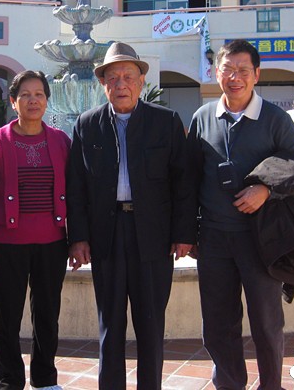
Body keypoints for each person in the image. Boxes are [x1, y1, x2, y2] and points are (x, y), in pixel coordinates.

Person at [66, 42, 197, 390]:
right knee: (110, 323)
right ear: (103, 84)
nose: (120, 84)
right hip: (106, 236)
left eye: (128, 76)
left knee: (151, 324)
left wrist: (184, 234)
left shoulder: (166, 122)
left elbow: (183, 182)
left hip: (152, 236)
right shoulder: (87, 125)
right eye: (113, 78)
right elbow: (75, 187)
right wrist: (78, 237)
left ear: (141, 82)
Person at [185, 39, 294, 390]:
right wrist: (187, 233)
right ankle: (229, 384)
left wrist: (266, 189)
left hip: (262, 239)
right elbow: (189, 178)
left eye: (243, 70)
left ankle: (271, 385)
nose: (235, 77)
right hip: (214, 239)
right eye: (228, 69)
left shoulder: (275, 119)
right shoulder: (202, 118)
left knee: (266, 323)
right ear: (216, 73)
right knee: (217, 324)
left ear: (256, 74)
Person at [0, 70, 71, 390]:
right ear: (13, 102)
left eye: (39, 94)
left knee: (47, 316)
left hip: (52, 243)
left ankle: (45, 379)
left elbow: (75, 192)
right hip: (7, 245)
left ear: (46, 100)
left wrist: (77, 239)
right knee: (6, 319)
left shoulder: (60, 141)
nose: (33, 100)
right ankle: (9, 382)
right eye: (25, 95)